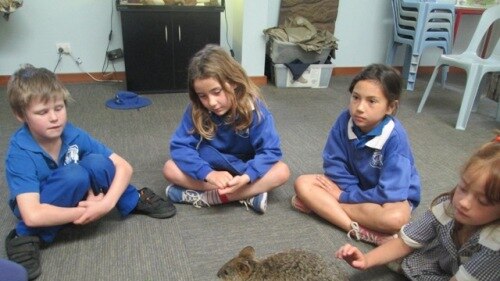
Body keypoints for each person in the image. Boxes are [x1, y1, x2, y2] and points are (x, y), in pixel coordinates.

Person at [4, 64, 176, 280]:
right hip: (41, 205)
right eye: (42, 112)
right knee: (74, 175)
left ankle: (132, 199)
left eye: (58, 108)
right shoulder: (19, 153)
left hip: (78, 191)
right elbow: (33, 213)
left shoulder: (71, 133)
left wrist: (105, 205)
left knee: (98, 162)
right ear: (21, 115)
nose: (54, 118)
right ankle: (24, 237)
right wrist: (86, 213)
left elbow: (123, 166)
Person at [335, 139, 500, 281]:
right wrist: (366, 260)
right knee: (407, 256)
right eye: (463, 188)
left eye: (482, 201)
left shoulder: (495, 244)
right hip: (445, 263)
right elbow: (405, 243)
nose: (464, 202)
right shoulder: (447, 206)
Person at [292, 64, 420, 245]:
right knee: (303, 183)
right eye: (355, 97)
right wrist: (351, 192)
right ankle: (361, 231)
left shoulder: (395, 138)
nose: (359, 108)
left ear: (390, 107)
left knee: (396, 219)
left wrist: (343, 197)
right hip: (354, 189)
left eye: (372, 101)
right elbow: (333, 164)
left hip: (387, 197)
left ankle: (323, 208)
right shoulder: (345, 120)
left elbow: (390, 193)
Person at [163, 44, 290, 214]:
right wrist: (208, 174)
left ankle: (209, 197)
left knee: (282, 171)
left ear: (233, 82)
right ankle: (248, 196)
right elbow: (180, 147)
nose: (212, 102)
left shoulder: (256, 110)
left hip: (244, 169)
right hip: (210, 167)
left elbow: (270, 151)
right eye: (203, 96)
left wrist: (247, 177)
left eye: (217, 92)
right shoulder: (195, 110)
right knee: (169, 168)